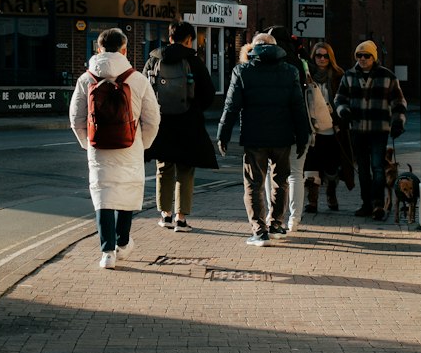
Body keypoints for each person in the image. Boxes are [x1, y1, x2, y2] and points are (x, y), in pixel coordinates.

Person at [70, 27, 161, 268]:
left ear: (98, 49)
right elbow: (153, 119)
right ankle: (123, 243)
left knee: (103, 196)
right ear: (124, 49)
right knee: (126, 194)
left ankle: (107, 252)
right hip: (130, 145)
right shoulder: (137, 80)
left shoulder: (85, 79)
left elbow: (76, 119)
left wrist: (87, 143)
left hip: (98, 147)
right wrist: (143, 143)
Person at [216, 31, 311, 247]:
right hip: (282, 136)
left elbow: (231, 106)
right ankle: (277, 225)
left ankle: (259, 231)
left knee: (254, 184)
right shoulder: (290, 71)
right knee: (280, 181)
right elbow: (298, 107)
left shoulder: (242, 71)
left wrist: (223, 133)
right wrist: (303, 136)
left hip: (254, 136)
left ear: (253, 48)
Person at [142, 19, 217, 230]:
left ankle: (165, 215)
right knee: (185, 168)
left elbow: (143, 91)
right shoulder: (193, 61)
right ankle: (181, 218)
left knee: (163, 167)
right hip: (187, 122)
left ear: (170, 36)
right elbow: (209, 92)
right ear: (188, 39)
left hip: (161, 123)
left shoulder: (153, 59)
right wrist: (194, 108)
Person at [333, 39, 407, 222]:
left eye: (367, 55)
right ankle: (366, 203)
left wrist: (398, 122)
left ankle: (378, 204)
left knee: (378, 167)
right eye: (359, 55)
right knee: (364, 169)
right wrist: (344, 112)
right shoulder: (349, 76)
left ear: (374, 57)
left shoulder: (387, 76)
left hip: (379, 129)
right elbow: (339, 99)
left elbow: (399, 101)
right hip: (357, 129)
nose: (363, 59)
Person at [264, 25, 310, 233]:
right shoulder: (298, 64)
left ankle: (272, 215)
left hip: (269, 125)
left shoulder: (264, 62)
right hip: (294, 124)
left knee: (270, 172)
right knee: (295, 174)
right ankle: (295, 219)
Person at [303, 41, 355, 213]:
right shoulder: (306, 76)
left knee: (331, 168)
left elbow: (346, 100)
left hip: (333, 130)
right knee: (311, 166)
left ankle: (331, 193)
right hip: (313, 129)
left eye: (326, 56)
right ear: (313, 56)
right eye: (319, 55)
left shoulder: (339, 76)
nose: (322, 59)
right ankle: (312, 201)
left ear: (330, 57)